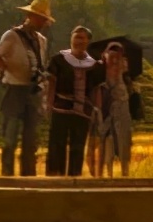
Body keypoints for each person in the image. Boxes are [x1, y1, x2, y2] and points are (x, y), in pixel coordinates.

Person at [0, 0, 54, 176]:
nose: (41, 22)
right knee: (9, 139)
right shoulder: (12, 35)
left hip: (33, 92)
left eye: (44, 19)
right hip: (14, 89)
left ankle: (29, 178)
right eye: (39, 18)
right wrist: (6, 70)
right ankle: (7, 178)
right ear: (30, 16)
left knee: (30, 141)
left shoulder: (42, 41)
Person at [46, 26, 102, 176]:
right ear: (71, 40)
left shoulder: (94, 65)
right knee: (57, 144)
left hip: (83, 111)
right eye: (76, 37)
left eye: (82, 38)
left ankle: (74, 177)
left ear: (87, 41)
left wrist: (97, 110)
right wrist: (47, 104)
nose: (78, 41)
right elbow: (51, 84)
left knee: (78, 146)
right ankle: (55, 177)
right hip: (61, 108)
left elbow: (95, 90)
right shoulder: (58, 60)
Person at [92, 42, 137, 177]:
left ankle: (125, 174)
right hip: (105, 112)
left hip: (122, 112)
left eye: (118, 57)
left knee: (124, 143)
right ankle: (104, 175)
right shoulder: (100, 75)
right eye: (112, 56)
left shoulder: (124, 75)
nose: (115, 60)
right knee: (106, 143)